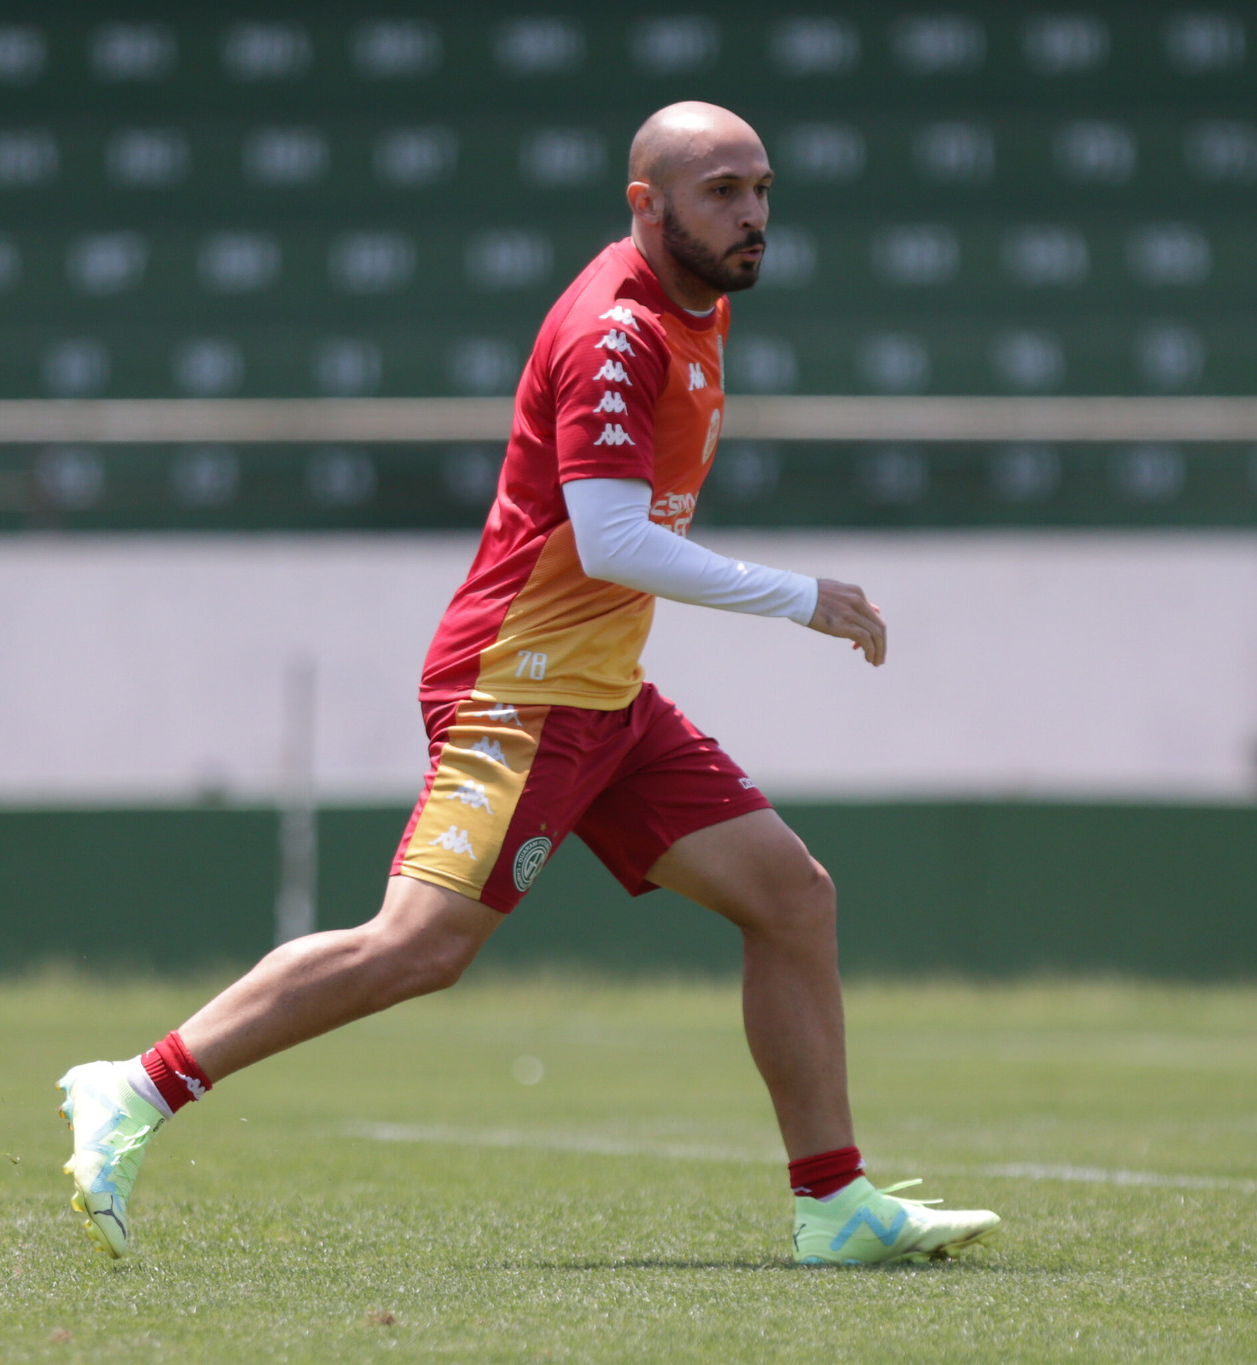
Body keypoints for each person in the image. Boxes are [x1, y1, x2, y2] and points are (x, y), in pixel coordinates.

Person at [56, 101, 1000, 1267]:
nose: (751, 214)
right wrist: (803, 598)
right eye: (720, 192)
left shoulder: (698, 307)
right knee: (418, 947)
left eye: (760, 189)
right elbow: (611, 542)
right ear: (644, 204)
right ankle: (133, 1087)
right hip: (520, 685)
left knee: (790, 897)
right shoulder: (617, 332)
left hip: (602, 691)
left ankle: (835, 1204)